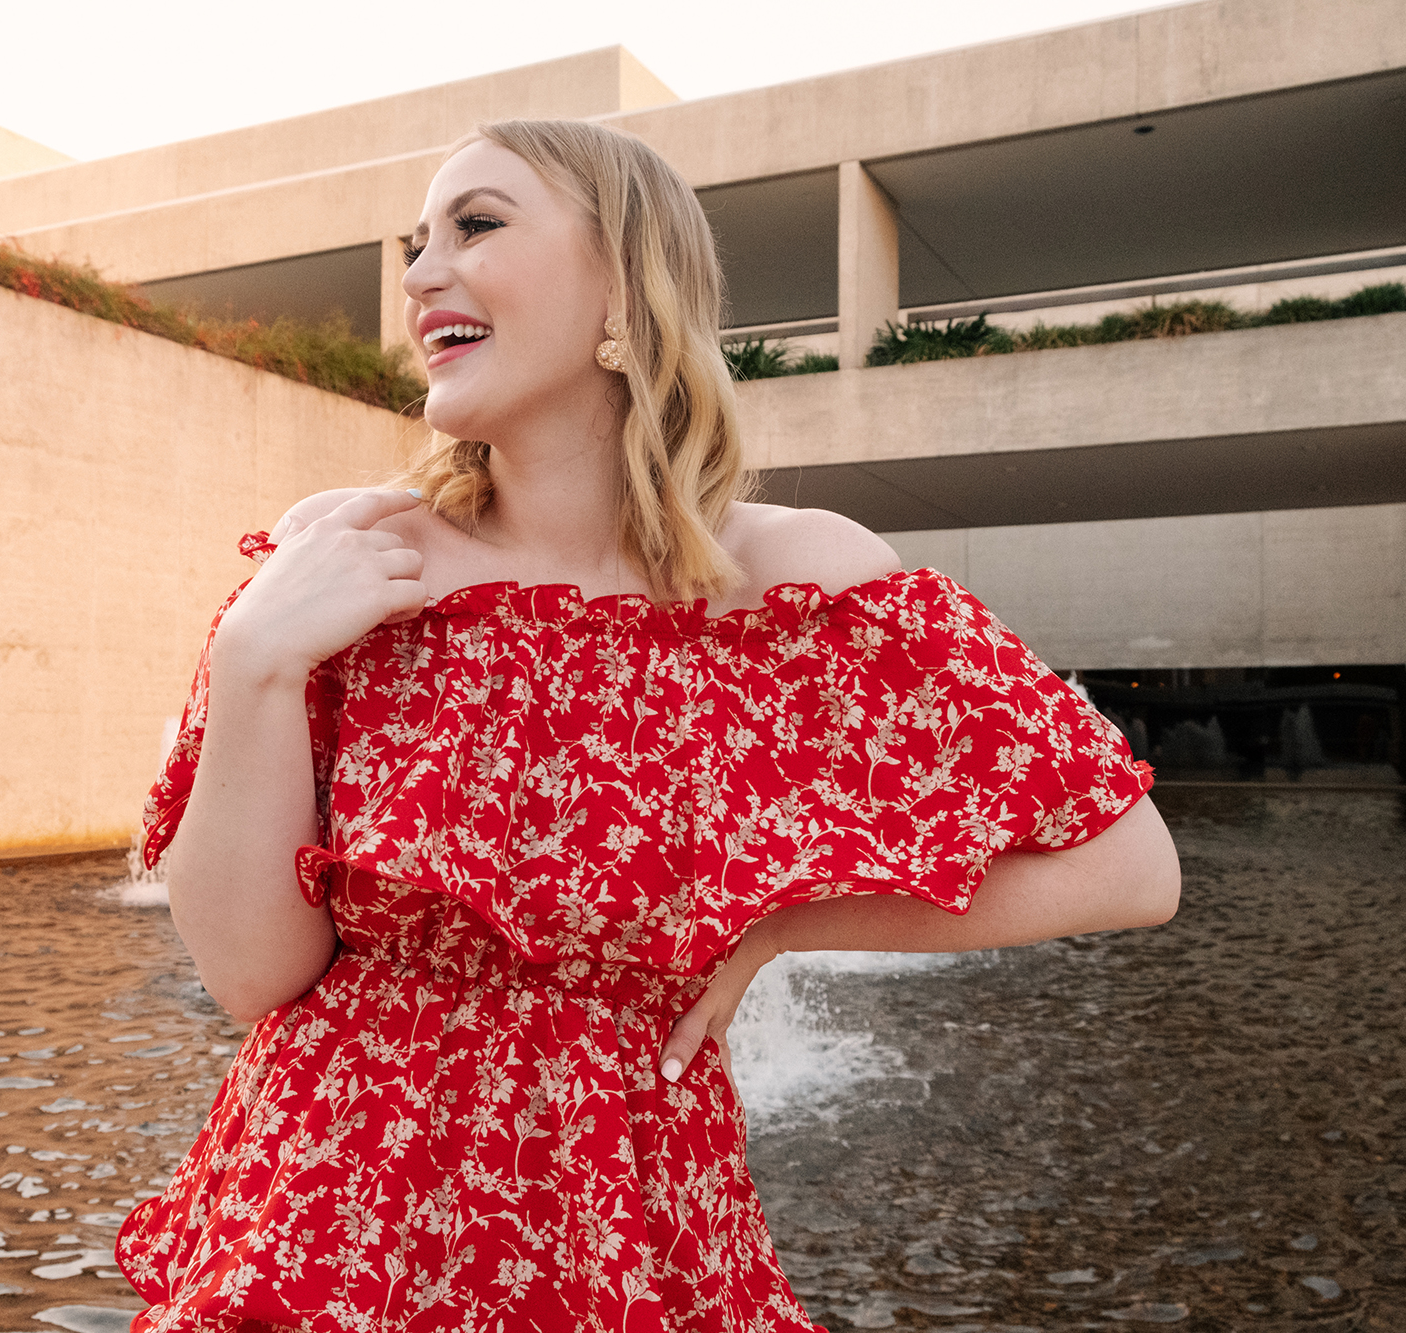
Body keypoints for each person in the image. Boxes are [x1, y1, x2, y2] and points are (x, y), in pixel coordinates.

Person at [114, 118, 1181, 1333]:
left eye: (475, 225)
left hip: (630, 1235)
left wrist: (774, 926)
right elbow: (251, 976)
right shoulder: (353, 554)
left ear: (624, 286)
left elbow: (1129, 865)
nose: (420, 275)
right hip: (327, 1230)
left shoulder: (794, 583)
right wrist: (255, 658)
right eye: (417, 245)